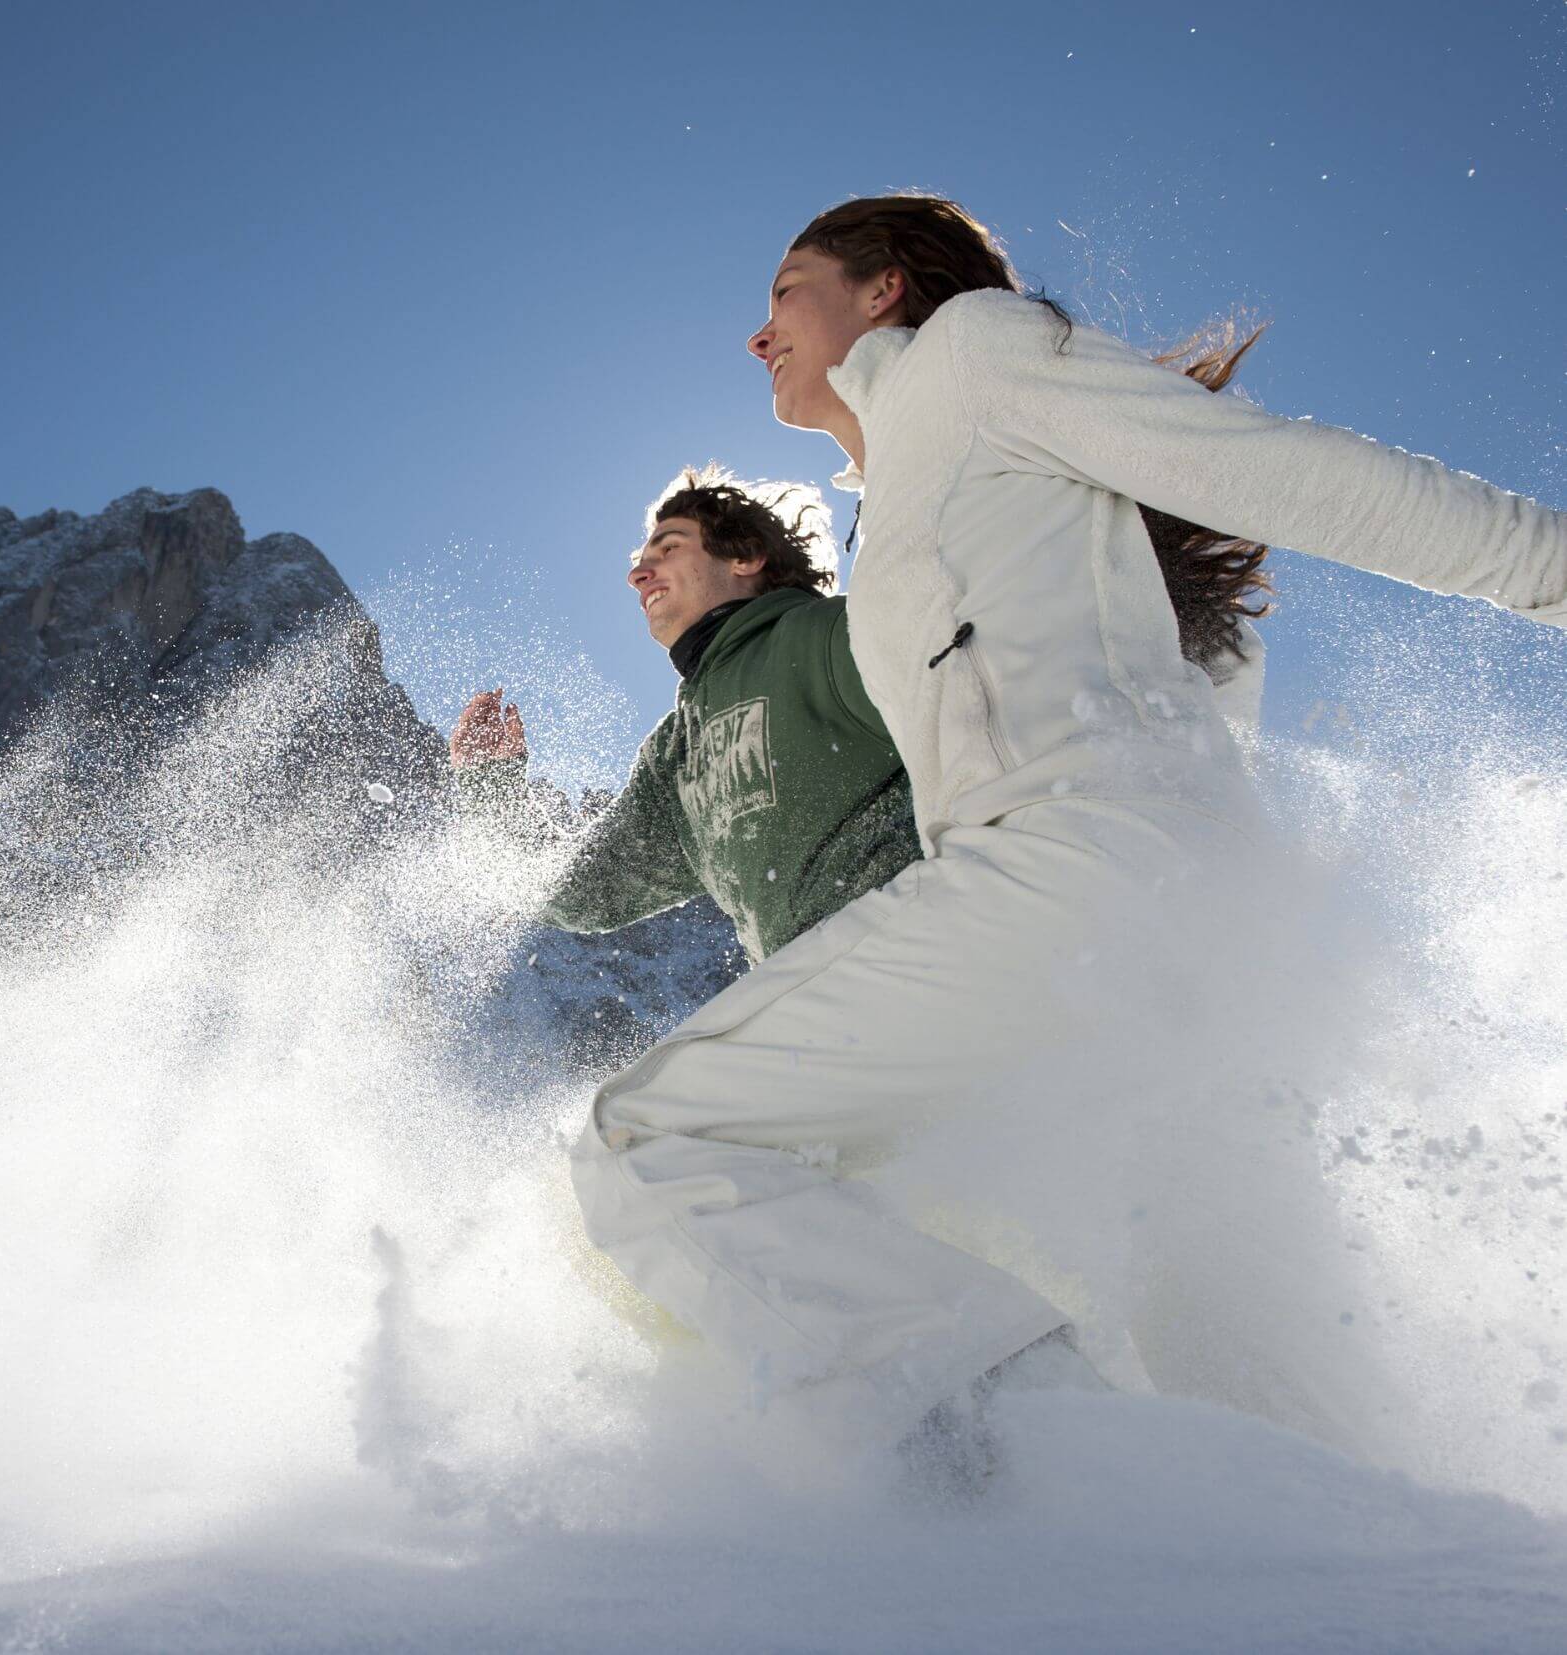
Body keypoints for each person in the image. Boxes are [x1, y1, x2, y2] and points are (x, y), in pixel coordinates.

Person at [556, 192, 1567, 1463]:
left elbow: (1290, 473)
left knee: (656, 1138)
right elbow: (1191, 674)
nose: (758, 333)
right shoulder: (932, 472)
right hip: (1160, 927)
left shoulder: (972, 353)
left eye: (784, 290)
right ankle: (1323, 1560)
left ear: (881, 290)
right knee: (1246, 1409)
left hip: (1075, 863)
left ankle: (1043, 1470)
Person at [449, 468, 916, 969]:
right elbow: (580, 891)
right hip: (820, 1014)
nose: (638, 575)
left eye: (669, 549)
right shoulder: (676, 753)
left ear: (746, 557)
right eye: (640, 563)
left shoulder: (827, 638)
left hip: (937, 967)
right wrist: (488, 783)